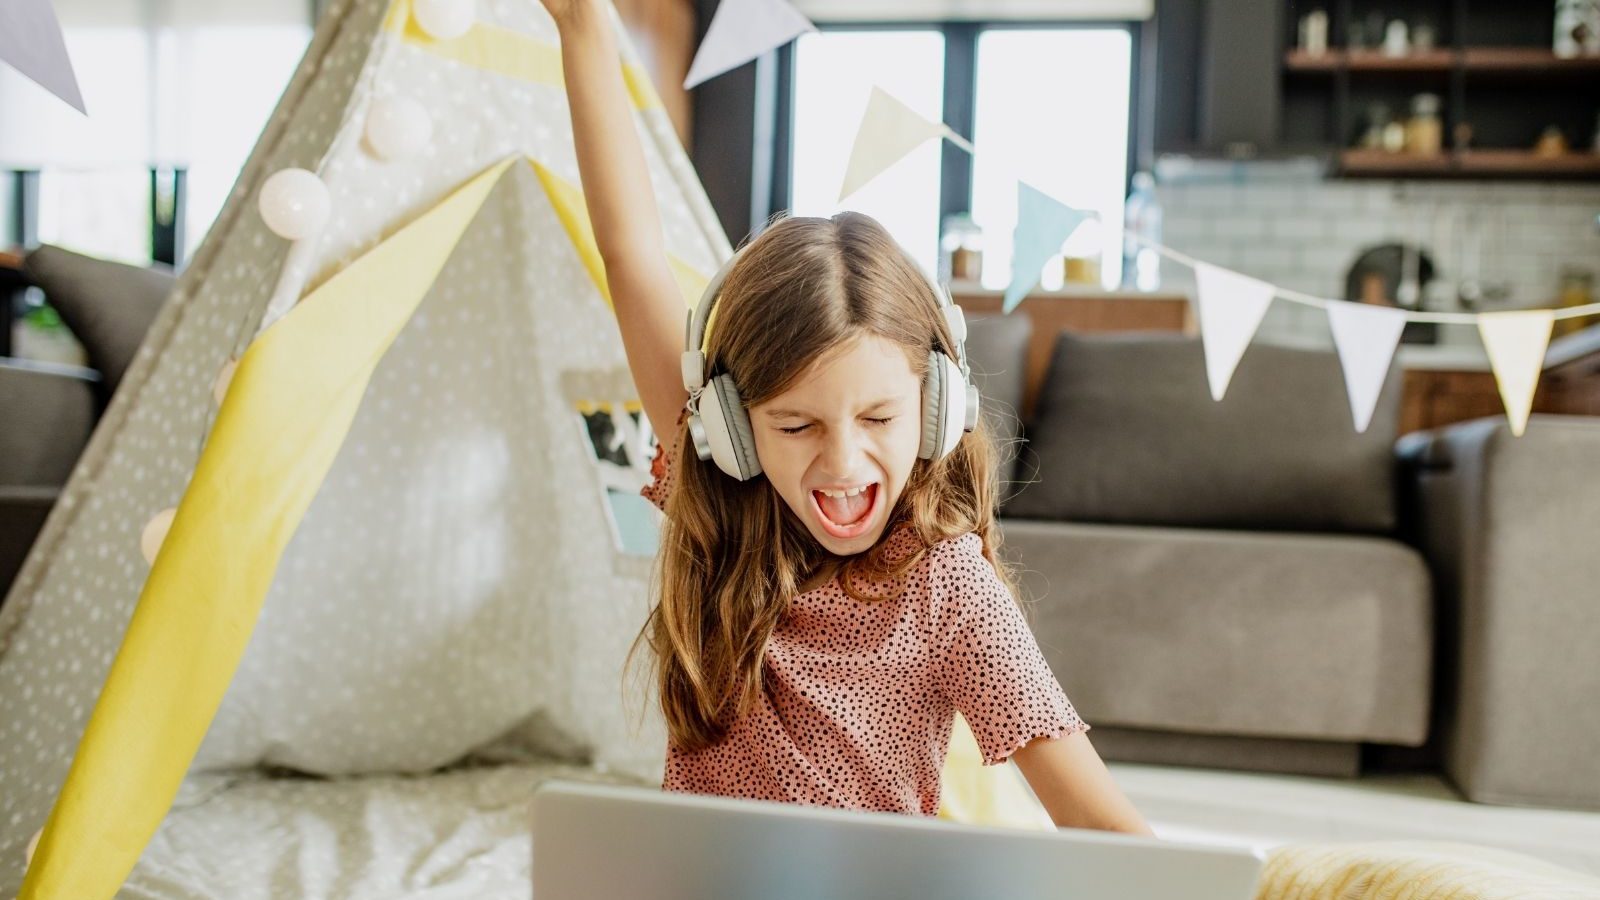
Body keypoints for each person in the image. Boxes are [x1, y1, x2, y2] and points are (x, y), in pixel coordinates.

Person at [542, 0, 1151, 836]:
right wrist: (584, 29)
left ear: (937, 411)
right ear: (730, 425)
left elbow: (1106, 830)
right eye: (795, 425)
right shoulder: (713, 480)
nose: (842, 461)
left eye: (878, 417)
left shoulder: (951, 588)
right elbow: (631, 256)